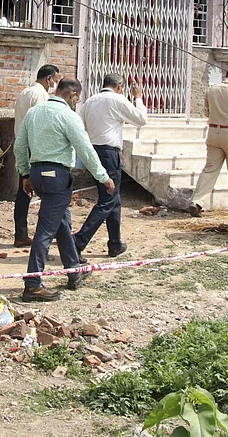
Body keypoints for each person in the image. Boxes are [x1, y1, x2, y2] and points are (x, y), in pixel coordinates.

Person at [14, 77, 113, 303]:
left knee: (62, 223)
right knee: (46, 230)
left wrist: (25, 174)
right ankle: (33, 284)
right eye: (77, 98)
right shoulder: (69, 116)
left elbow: (20, 146)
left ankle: (73, 271)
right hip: (56, 176)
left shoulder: (34, 112)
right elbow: (85, 149)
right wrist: (103, 177)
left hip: (37, 174)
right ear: (73, 95)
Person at [74, 74, 147, 257]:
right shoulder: (118, 100)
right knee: (108, 200)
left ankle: (115, 243)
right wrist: (138, 97)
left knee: (114, 199)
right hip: (108, 153)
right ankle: (78, 242)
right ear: (120, 86)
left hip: (92, 150)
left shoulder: (90, 101)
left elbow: (80, 128)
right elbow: (140, 119)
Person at [189, 64, 228, 217]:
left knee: (210, 169)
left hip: (213, 132)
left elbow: (206, 112)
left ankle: (197, 201)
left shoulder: (212, 89)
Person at [12, 64, 60, 247]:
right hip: (35, 148)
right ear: (48, 79)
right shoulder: (41, 95)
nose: (54, 84)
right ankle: (49, 232)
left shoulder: (25, 92)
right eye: (54, 80)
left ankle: (21, 233)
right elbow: (42, 123)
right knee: (49, 191)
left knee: (24, 193)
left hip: (23, 145)